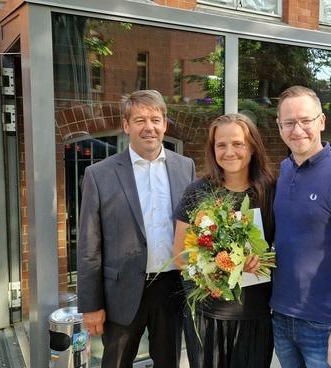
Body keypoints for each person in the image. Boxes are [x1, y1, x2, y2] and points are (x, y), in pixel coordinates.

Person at [77, 90, 195, 368]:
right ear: (126, 125)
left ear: (165, 124)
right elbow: (88, 245)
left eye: (155, 119)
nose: (149, 127)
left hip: (171, 287)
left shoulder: (185, 167)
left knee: (168, 362)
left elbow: (192, 229)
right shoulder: (99, 174)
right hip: (121, 291)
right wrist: (91, 305)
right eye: (140, 120)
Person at [270, 85, 331, 368]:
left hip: (325, 323)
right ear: (279, 127)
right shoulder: (284, 170)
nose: (297, 129)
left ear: (322, 122)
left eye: (305, 120)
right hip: (281, 316)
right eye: (289, 123)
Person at [173, 113, 275, 368]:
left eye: (238, 143)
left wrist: (262, 260)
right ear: (212, 149)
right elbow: (180, 256)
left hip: (255, 316)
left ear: (252, 147)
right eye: (221, 145)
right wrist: (215, 268)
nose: (229, 151)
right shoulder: (197, 192)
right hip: (208, 316)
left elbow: (285, 247)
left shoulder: (271, 191)